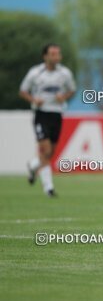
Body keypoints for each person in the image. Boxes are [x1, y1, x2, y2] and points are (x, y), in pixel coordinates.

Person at [19, 44, 76, 197]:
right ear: (45, 56)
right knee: (45, 150)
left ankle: (32, 166)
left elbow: (72, 90)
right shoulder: (35, 73)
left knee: (50, 153)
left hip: (56, 114)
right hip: (41, 114)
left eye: (58, 54)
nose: (56, 57)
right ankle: (48, 188)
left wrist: (63, 97)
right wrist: (33, 99)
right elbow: (23, 90)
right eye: (52, 54)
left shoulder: (65, 73)